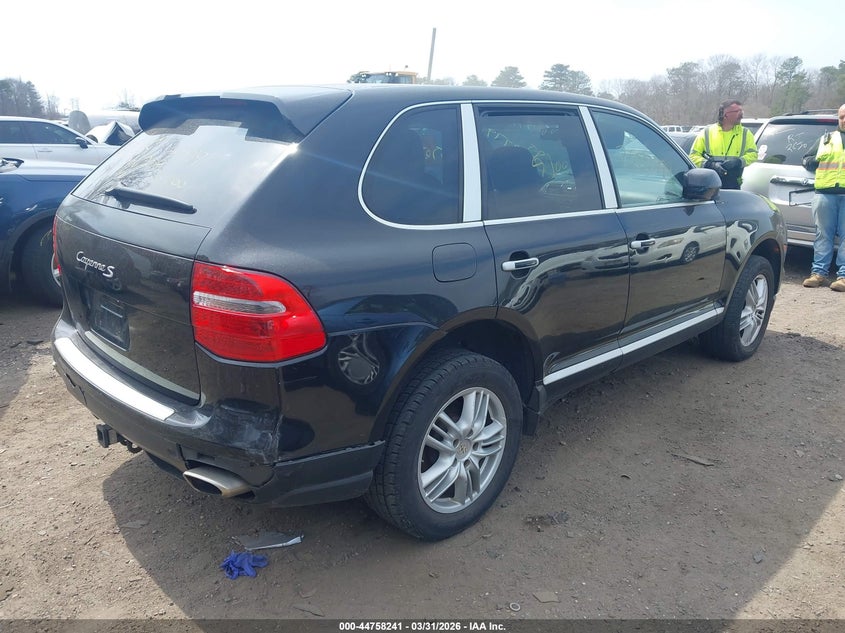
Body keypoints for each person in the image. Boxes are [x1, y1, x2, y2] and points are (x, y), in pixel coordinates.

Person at [800, 103, 845, 292]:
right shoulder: (826, 139)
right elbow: (806, 160)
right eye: (841, 117)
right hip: (825, 194)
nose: (844, 120)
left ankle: (843, 277)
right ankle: (818, 274)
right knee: (822, 235)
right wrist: (815, 161)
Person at [689, 99, 758, 189]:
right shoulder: (707, 132)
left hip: (733, 183)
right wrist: (710, 165)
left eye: (741, 111)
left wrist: (738, 162)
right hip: (709, 184)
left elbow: (753, 154)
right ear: (725, 114)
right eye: (737, 111)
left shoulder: (745, 133)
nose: (741, 115)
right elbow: (693, 156)